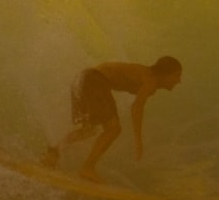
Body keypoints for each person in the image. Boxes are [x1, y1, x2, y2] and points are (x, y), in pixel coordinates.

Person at [44, 56, 182, 183]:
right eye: (177, 75)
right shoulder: (150, 80)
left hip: (81, 79)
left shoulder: (145, 74)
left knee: (88, 130)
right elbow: (136, 109)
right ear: (165, 74)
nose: (179, 80)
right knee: (113, 129)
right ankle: (87, 167)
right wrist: (138, 140)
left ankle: (53, 153)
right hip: (94, 80)